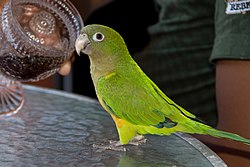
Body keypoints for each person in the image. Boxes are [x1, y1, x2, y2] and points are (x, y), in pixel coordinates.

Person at [60, 0, 250, 165]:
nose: (83, 40)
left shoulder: (110, 83)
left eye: (97, 37)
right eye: (84, 36)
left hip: (173, 129)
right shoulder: (110, 72)